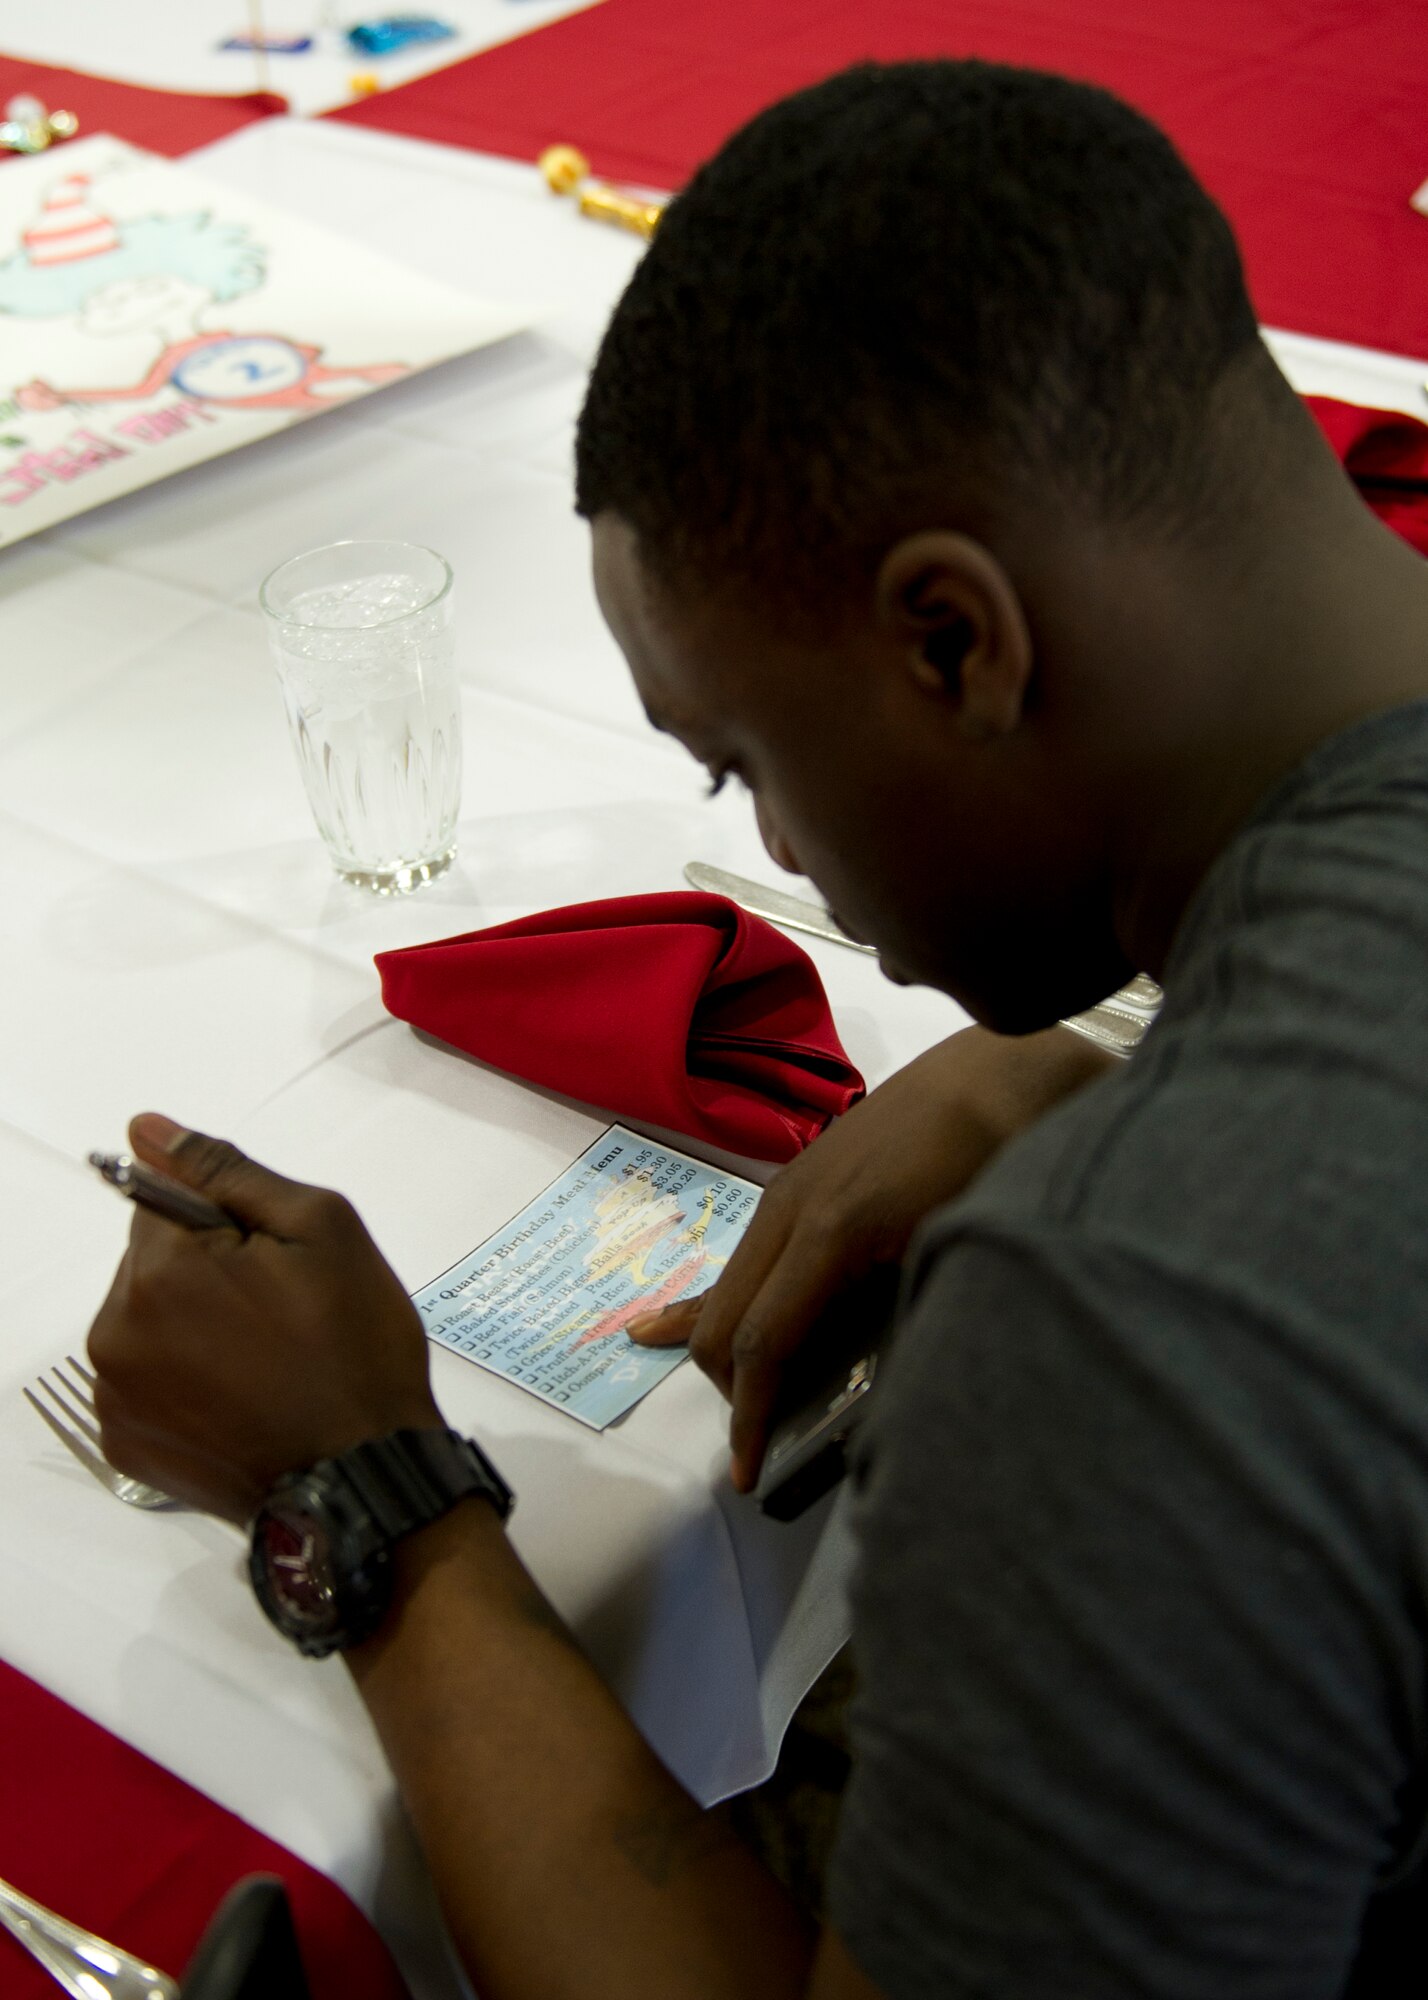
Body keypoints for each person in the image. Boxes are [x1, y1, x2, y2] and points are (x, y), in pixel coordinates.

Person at [84, 58, 1428, 1999]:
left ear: (953, 639)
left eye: (739, 764)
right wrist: (1098, 1077)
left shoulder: (1134, 1320)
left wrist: (367, 1496)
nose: (782, 852)